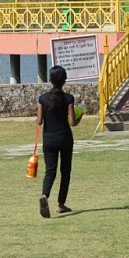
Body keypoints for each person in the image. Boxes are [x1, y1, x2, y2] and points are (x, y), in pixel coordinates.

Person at [36, 65, 82, 218]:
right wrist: (81, 113)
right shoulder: (68, 98)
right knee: (65, 172)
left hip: (49, 140)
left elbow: (39, 121)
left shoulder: (42, 98)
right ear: (64, 81)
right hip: (65, 139)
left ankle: (44, 195)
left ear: (50, 80)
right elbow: (72, 122)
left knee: (50, 171)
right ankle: (61, 205)